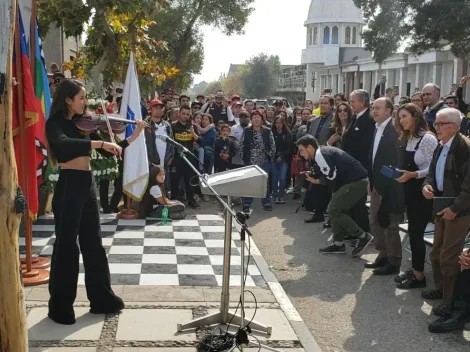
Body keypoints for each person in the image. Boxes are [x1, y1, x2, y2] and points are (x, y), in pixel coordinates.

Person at [45, 79, 147, 325]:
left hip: (87, 185)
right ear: (68, 99)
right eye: (82, 98)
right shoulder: (55, 124)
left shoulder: (85, 125)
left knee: (94, 244)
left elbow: (112, 149)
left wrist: (134, 134)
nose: (86, 102)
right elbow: (64, 146)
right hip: (69, 187)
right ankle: (60, 307)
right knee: (67, 247)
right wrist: (100, 142)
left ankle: (101, 298)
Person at [422, 107, 470, 316]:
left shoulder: (464, 149)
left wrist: (454, 209)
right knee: (436, 252)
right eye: (436, 123)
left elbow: (469, 187)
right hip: (442, 207)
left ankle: (450, 303)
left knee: (449, 256)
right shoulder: (441, 146)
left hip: (459, 211)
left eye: (441, 124)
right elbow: (432, 173)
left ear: (454, 127)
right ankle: (442, 290)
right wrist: (427, 186)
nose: (436, 127)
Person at [296, 135, 373, 256]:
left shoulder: (320, 155)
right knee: (335, 209)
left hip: (356, 181)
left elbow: (331, 177)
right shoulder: (322, 152)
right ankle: (338, 244)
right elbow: (333, 175)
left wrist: (316, 181)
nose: (300, 154)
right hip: (353, 181)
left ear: (310, 147)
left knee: (333, 208)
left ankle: (363, 236)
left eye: (301, 150)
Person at [394, 104, 438, 288]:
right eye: (400, 117)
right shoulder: (408, 137)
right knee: (412, 232)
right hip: (409, 191)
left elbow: (433, 168)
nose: (401, 120)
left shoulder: (428, 139)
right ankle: (415, 270)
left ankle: (420, 277)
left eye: (404, 116)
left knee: (416, 233)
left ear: (415, 116)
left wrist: (413, 175)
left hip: (423, 192)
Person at [365, 97, 405, 275]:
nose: (374, 111)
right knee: (375, 221)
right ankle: (383, 254)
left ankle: (394, 260)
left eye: (378, 108)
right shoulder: (377, 128)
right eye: (373, 108)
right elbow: (374, 158)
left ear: (389, 110)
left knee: (390, 224)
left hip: (390, 187)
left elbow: (395, 162)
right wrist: (372, 181)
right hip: (376, 186)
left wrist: (386, 182)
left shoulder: (394, 131)